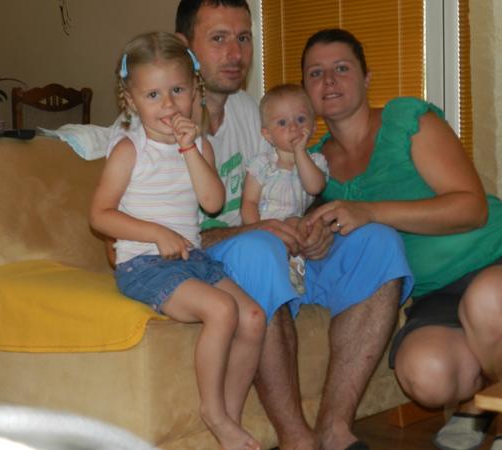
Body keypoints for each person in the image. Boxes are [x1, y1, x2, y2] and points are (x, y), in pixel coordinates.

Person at [175, 2, 414, 450]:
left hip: (283, 249)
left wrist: (311, 228)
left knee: (377, 242)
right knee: (259, 249)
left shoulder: (258, 113)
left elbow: (291, 187)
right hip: (217, 259)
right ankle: (296, 438)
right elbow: (162, 236)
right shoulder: (164, 125)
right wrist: (250, 232)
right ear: (184, 47)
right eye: (219, 38)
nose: (235, 53)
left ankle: (335, 427)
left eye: (243, 38)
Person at [301, 28, 502, 450]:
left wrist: (372, 211)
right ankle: (480, 400)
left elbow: (472, 208)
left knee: (488, 300)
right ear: (306, 89)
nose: (329, 80)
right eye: (315, 73)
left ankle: (489, 413)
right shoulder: (315, 167)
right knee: (425, 375)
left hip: (492, 259)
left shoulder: (406, 121)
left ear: (367, 78)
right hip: (435, 294)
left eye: (341, 68)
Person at [89, 31, 266, 450]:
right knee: (221, 309)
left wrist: (190, 150)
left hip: (191, 260)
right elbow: (100, 215)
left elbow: (213, 202)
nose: (168, 105)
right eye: (153, 95)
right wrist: (156, 233)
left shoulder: (199, 145)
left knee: (254, 317)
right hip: (142, 265)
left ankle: (230, 418)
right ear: (131, 102)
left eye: (177, 90)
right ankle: (214, 413)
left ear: (195, 91)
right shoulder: (130, 150)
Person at [241, 84, 328, 293]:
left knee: (301, 224)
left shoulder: (316, 161)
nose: (293, 127)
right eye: (282, 122)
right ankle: (278, 270)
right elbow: (249, 203)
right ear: (268, 135)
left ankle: (295, 270)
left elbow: (314, 187)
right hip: (266, 227)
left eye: (301, 119)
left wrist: (300, 153)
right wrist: (258, 230)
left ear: (313, 127)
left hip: (296, 228)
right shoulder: (262, 164)